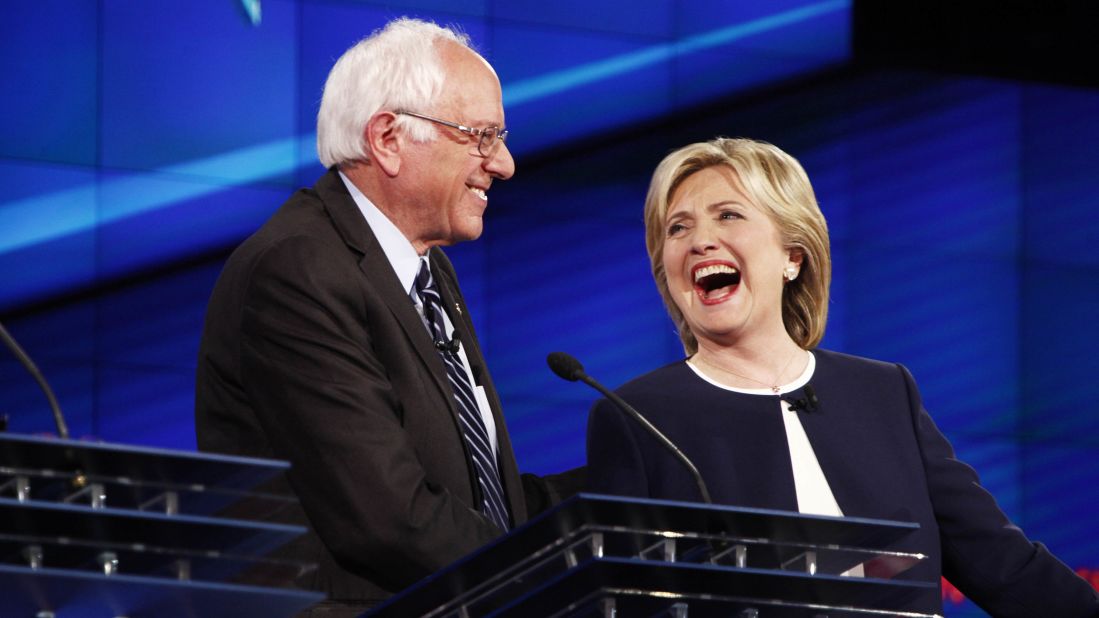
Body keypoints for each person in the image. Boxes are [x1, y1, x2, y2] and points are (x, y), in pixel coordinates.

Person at [586, 137, 1099, 616]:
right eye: (678, 228)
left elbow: (1002, 562)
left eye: (728, 215)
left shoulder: (884, 392)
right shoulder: (638, 416)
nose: (700, 241)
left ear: (792, 256)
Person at [195, 18, 581, 616]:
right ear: (388, 138)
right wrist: (545, 576)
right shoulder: (299, 270)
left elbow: (471, 496)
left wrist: (622, 483)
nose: (502, 163)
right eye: (481, 135)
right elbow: (388, 516)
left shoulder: (423, 269)